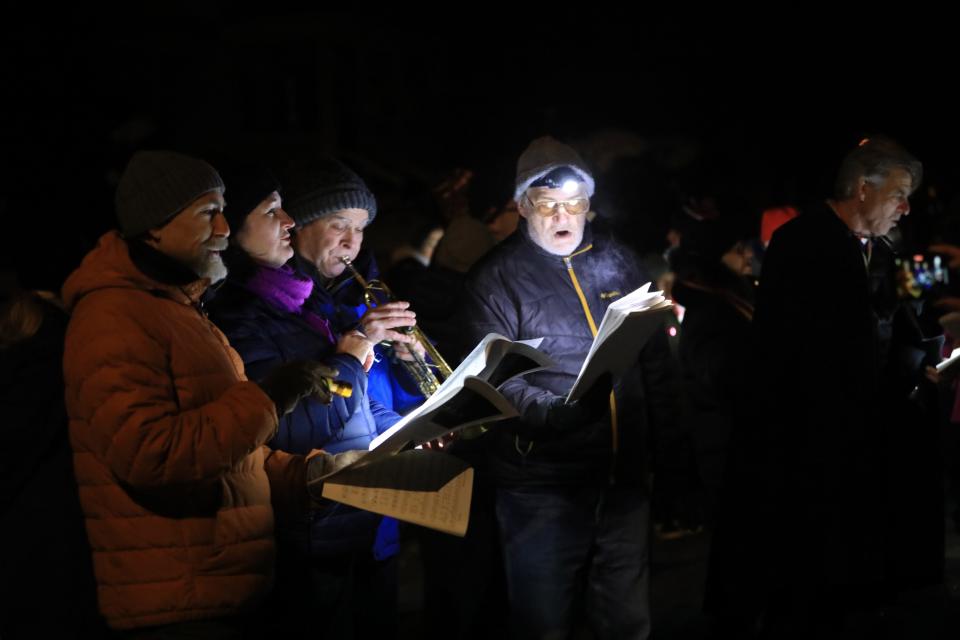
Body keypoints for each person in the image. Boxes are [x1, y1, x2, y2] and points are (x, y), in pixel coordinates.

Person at [61, 151, 351, 635]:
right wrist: (269, 399)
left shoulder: (179, 311)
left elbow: (229, 455)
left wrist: (309, 476)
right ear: (154, 228)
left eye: (223, 209)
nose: (223, 227)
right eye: (206, 212)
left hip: (220, 588)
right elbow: (153, 456)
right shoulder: (114, 317)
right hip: (178, 601)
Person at [712, 136, 943, 636]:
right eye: (898, 193)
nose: (905, 207)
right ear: (862, 188)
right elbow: (801, 358)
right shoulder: (804, 244)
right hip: (808, 456)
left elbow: (879, 331)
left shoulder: (878, 250)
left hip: (856, 447)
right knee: (807, 582)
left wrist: (916, 360)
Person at [459, 136, 677, 639]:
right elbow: (496, 383)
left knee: (625, 622)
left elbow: (657, 369)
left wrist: (672, 461)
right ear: (520, 206)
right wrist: (556, 413)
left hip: (622, 485)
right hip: (542, 492)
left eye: (575, 203)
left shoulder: (620, 264)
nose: (564, 215)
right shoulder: (495, 281)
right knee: (545, 623)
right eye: (547, 203)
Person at [207, 165, 401, 637]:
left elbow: (357, 403)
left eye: (361, 229)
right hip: (307, 527)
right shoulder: (237, 314)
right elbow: (280, 426)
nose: (287, 221)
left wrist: (408, 430)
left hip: (357, 518)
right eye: (339, 225)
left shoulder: (308, 305)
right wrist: (352, 360)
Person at [287, 157, 426, 414]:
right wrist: (359, 340)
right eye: (339, 226)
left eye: (360, 229)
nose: (352, 242)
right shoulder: (279, 304)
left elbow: (400, 400)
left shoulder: (369, 293)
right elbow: (311, 403)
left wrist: (411, 364)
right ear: (300, 225)